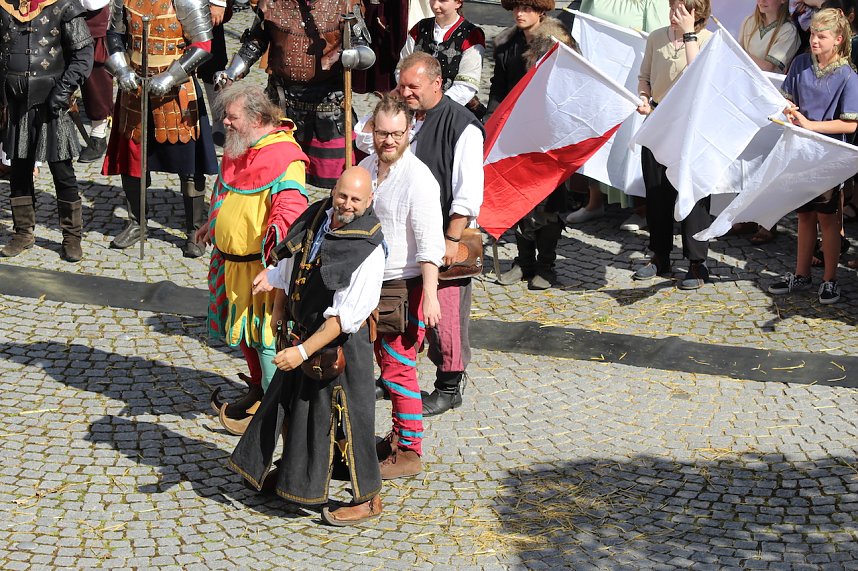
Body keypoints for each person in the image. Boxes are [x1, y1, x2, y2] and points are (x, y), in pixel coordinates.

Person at [230, 167, 386, 526]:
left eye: (356, 199)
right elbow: (289, 264)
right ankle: (295, 481)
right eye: (342, 195)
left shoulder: (368, 248)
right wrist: (279, 310)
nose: (346, 204)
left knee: (350, 418)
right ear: (334, 190)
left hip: (343, 348)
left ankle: (368, 498)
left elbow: (344, 319)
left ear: (369, 201)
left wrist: (301, 352)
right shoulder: (318, 214)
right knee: (299, 410)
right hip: (303, 332)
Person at [195, 83, 309, 435]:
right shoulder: (240, 145)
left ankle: (275, 410)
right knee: (242, 333)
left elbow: (290, 212)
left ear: (258, 119)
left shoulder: (285, 157)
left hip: (260, 269)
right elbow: (226, 190)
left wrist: (276, 268)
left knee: (264, 336)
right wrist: (212, 224)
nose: (225, 124)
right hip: (230, 265)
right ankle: (259, 390)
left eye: (232, 118)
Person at [389, 52, 483, 416]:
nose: (406, 92)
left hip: (443, 234)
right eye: (402, 85)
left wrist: (452, 238)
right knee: (403, 307)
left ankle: (449, 386)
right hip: (403, 231)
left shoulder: (463, 126)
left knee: (444, 315)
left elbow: (468, 192)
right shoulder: (402, 114)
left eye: (414, 86)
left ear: (436, 83)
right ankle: (399, 373)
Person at [359, 94, 445, 479]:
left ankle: (410, 449)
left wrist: (429, 296)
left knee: (400, 369)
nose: (388, 141)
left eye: (396, 133)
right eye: (382, 133)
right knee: (385, 366)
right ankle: (397, 437)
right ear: (372, 132)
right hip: (368, 285)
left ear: (409, 131)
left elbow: (431, 244)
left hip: (403, 288)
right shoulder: (367, 167)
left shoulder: (419, 179)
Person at [102, 0, 219, 258]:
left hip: (176, 89)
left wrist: (169, 76)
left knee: (189, 164)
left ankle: (195, 230)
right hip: (134, 88)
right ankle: (136, 223)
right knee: (134, 159)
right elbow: (113, 36)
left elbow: (203, 45)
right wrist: (121, 70)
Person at [214, 0, 366, 189]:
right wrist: (232, 72)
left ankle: (327, 218)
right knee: (271, 174)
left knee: (340, 183)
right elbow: (255, 42)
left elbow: (363, 47)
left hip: (328, 109)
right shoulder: (271, 2)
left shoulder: (345, 3)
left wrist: (352, 55)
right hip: (279, 106)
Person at [767, 8, 858, 304]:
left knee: (828, 220)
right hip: (800, 154)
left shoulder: (848, 76)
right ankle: (801, 274)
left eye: (822, 36)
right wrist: (787, 109)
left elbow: (851, 123)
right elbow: (787, 99)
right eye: (813, 34)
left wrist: (810, 125)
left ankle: (830, 279)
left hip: (828, 157)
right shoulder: (801, 63)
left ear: (839, 39)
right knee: (804, 217)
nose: (814, 40)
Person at [0, 0, 94, 262]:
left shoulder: (63, 6)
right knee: (18, 169)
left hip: (53, 105)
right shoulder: (5, 6)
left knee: (62, 173)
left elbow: (83, 53)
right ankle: (22, 233)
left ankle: (72, 237)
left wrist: (63, 92)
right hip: (16, 105)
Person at [566, 0, 670, 230]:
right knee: (595, 130)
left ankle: (642, 208)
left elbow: (658, 39)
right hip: (599, 75)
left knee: (629, 138)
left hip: (632, 78)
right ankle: (594, 202)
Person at [634, 0, 714, 291]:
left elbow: (698, 77)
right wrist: (644, 97)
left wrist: (689, 33)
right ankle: (660, 254)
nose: (673, 15)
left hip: (691, 126)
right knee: (657, 193)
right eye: (671, 8)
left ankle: (696, 262)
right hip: (658, 121)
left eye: (680, 10)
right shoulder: (656, 37)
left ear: (696, 13)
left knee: (692, 194)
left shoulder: (708, 40)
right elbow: (644, 76)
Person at [490, 2, 569, 290]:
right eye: (516, 8)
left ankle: (546, 266)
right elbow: (498, 87)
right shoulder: (506, 44)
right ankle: (524, 261)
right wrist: (490, 124)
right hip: (514, 135)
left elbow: (570, 87)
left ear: (541, 11)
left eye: (526, 8)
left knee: (547, 203)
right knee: (516, 199)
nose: (519, 14)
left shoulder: (559, 44)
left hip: (548, 135)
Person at [738, 0, 800, 244]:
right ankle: (744, 215)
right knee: (745, 156)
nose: (762, 0)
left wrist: (739, 54)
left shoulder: (788, 30)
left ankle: (768, 222)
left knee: (767, 160)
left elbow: (768, 67)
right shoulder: (748, 22)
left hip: (773, 99)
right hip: (747, 97)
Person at [398, 0, 486, 116]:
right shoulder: (420, 28)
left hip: (452, 111)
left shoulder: (471, 35)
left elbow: (466, 85)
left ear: (458, 3)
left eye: (442, 0)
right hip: (413, 106)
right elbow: (401, 69)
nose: (435, 5)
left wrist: (436, 108)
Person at [77, 1, 114, 164]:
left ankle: (99, 134)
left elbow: (93, 3)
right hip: (56, 14)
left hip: (92, 19)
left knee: (95, 79)